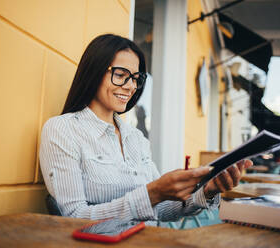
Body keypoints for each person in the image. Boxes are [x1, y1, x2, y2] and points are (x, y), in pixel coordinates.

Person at [39, 34, 252, 225]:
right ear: (94, 72)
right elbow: (73, 217)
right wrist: (151, 193)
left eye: (136, 78)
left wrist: (208, 190)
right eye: (121, 74)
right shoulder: (62, 130)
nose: (131, 86)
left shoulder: (136, 139)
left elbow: (160, 209)